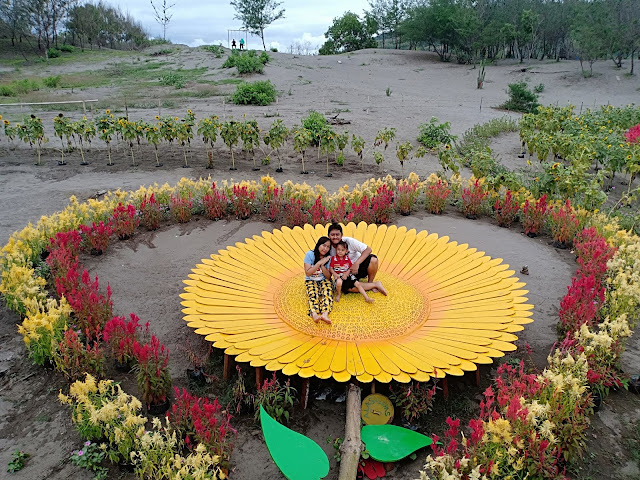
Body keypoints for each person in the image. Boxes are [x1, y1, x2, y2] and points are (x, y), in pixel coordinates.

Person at [304, 236, 333, 324]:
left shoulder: (328, 258)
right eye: (324, 245)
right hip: (311, 279)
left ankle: (325, 314)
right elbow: (308, 273)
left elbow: (328, 276)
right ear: (318, 245)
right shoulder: (309, 254)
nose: (325, 249)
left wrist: (323, 265)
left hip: (323, 279)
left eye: (328, 247)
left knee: (327, 292)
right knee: (313, 294)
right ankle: (314, 314)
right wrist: (319, 263)